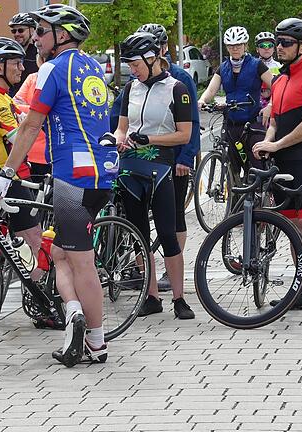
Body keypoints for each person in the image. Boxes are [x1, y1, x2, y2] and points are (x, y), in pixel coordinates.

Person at [0, 4, 112, 367]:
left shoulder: (51, 69)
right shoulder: (92, 65)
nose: (36, 38)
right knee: (60, 254)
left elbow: (30, 125)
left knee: (81, 263)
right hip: (101, 172)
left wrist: (7, 172)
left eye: (42, 31)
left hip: (73, 177)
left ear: (62, 35)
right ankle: (74, 313)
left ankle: (96, 341)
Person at [104, 31, 194, 321]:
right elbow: (122, 127)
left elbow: (185, 134)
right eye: (129, 64)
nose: (132, 69)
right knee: (139, 235)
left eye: (135, 64)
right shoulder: (131, 88)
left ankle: (179, 298)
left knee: (168, 233)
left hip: (161, 169)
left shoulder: (176, 88)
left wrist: (150, 140)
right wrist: (116, 137)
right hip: (130, 169)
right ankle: (152, 296)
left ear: (152, 57)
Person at [252, 18, 302, 317]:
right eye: (278, 42)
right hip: (283, 159)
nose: (279, 48)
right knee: (293, 229)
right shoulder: (281, 79)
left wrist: (276, 145)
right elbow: (274, 119)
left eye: (285, 43)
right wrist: (267, 141)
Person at [133, 23, 200, 292]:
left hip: (175, 156)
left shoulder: (180, 78)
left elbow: (192, 121)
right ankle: (145, 273)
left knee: (173, 218)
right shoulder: (137, 80)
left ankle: (172, 277)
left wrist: (186, 157)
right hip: (145, 157)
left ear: (162, 48)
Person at [0, 36, 44, 278]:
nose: (22, 68)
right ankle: (42, 302)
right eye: (16, 63)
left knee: (20, 240)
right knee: (33, 239)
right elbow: (19, 139)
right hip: (4, 177)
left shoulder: (1, 95)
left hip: (11, 175)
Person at [199, 26, 273, 173]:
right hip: (231, 122)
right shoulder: (223, 67)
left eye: (238, 45)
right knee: (232, 165)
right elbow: (211, 90)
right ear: (227, 47)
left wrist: (271, 105)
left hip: (252, 121)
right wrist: (202, 100)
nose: (235, 48)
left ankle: (259, 191)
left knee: (256, 162)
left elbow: (278, 86)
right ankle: (232, 192)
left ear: (245, 45)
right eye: (231, 46)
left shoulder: (257, 65)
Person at [12, 53, 49, 180]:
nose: (45, 62)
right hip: (27, 150)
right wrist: (40, 111)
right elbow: (14, 105)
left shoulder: (59, 80)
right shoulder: (32, 78)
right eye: (42, 58)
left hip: (47, 153)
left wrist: (28, 108)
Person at [7, 13, 38, 97]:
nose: (16, 34)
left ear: (32, 30)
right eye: (14, 31)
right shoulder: (10, 53)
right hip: (12, 101)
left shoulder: (39, 53)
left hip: (32, 102)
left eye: (21, 30)